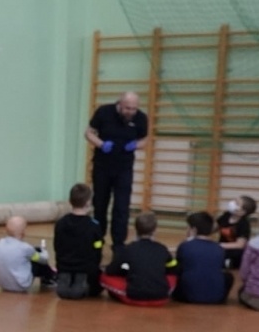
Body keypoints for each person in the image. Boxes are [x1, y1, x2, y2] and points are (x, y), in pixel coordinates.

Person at [85, 91, 148, 249]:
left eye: (134, 108)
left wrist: (136, 145)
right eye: (127, 108)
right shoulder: (104, 112)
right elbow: (88, 133)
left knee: (121, 206)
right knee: (100, 204)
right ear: (119, 104)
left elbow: (144, 138)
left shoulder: (140, 118)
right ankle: (98, 239)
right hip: (102, 166)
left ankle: (119, 243)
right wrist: (100, 144)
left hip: (124, 168)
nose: (130, 112)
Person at [100, 212, 175, 305]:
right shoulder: (162, 249)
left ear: (136, 230)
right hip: (161, 296)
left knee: (103, 276)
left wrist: (125, 272)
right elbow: (173, 269)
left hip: (134, 296)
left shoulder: (128, 249)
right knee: (173, 277)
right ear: (155, 230)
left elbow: (111, 270)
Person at [53, 182, 104, 299]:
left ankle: (66, 278)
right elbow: (98, 247)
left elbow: (57, 245)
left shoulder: (60, 223)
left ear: (70, 201)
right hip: (86, 267)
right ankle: (82, 280)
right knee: (98, 283)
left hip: (64, 265)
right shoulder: (94, 226)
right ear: (88, 202)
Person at [173, 211, 231, 304]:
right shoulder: (219, 248)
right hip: (216, 298)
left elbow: (178, 266)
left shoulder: (185, 246)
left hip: (186, 296)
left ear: (193, 230)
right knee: (228, 276)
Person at [0, 215, 55, 293]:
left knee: (31, 254)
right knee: (37, 258)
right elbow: (44, 260)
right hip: (21, 286)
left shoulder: (0, 242)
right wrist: (44, 250)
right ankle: (50, 277)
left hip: (3, 285)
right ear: (23, 232)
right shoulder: (25, 248)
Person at [218, 195, 257, 270]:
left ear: (242, 212)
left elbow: (240, 245)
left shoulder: (244, 224)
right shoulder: (226, 215)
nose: (232, 203)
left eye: (237, 203)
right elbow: (215, 227)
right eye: (234, 201)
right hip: (222, 248)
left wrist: (219, 245)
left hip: (235, 253)